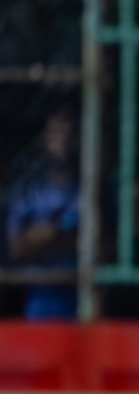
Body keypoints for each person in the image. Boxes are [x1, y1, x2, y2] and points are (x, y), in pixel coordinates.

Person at [5, 111, 79, 319]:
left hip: (82, 305)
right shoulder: (28, 191)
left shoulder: (89, 191)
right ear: (45, 140)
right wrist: (63, 237)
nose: (63, 141)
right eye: (56, 134)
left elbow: (102, 245)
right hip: (38, 306)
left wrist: (49, 236)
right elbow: (17, 248)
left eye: (68, 133)